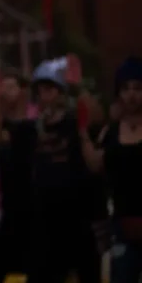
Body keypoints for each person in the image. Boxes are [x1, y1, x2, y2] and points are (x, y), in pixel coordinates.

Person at [13, 60, 102, 283]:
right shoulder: (31, 129)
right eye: (40, 91)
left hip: (76, 217)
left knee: (88, 273)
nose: (45, 96)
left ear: (61, 93)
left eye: (50, 89)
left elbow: (96, 117)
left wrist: (78, 86)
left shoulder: (73, 124)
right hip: (44, 222)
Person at [81, 57, 142, 283]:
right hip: (123, 227)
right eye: (125, 88)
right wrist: (83, 133)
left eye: (137, 88)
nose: (131, 95)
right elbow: (95, 165)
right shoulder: (111, 132)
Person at [0, 70, 37, 283]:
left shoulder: (35, 119)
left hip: (32, 207)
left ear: (23, 91)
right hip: (1, 208)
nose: (5, 93)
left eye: (11, 87)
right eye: (3, 88)